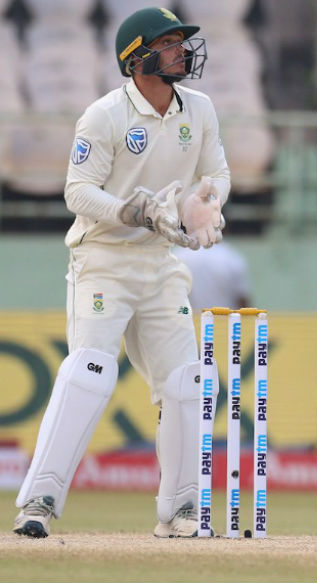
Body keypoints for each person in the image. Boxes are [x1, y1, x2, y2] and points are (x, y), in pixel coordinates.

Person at [13, 7, 228, 539]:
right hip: (104, 259)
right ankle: (39, 500)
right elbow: (77, 191)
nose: (182, 51)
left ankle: (180, 508)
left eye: (182, 42)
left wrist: (207, 204)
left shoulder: (198, 109)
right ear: (138, 58)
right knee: (90, 370)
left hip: (160, 262)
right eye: (171, 43)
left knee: (191, 383)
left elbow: (216, 172)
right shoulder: (104, 115)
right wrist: (133, 210)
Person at [173, 239, 252, 311]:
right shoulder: (232, 258)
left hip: (187, 322)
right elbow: (242, 302)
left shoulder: (177, 256)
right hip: (225, 323)